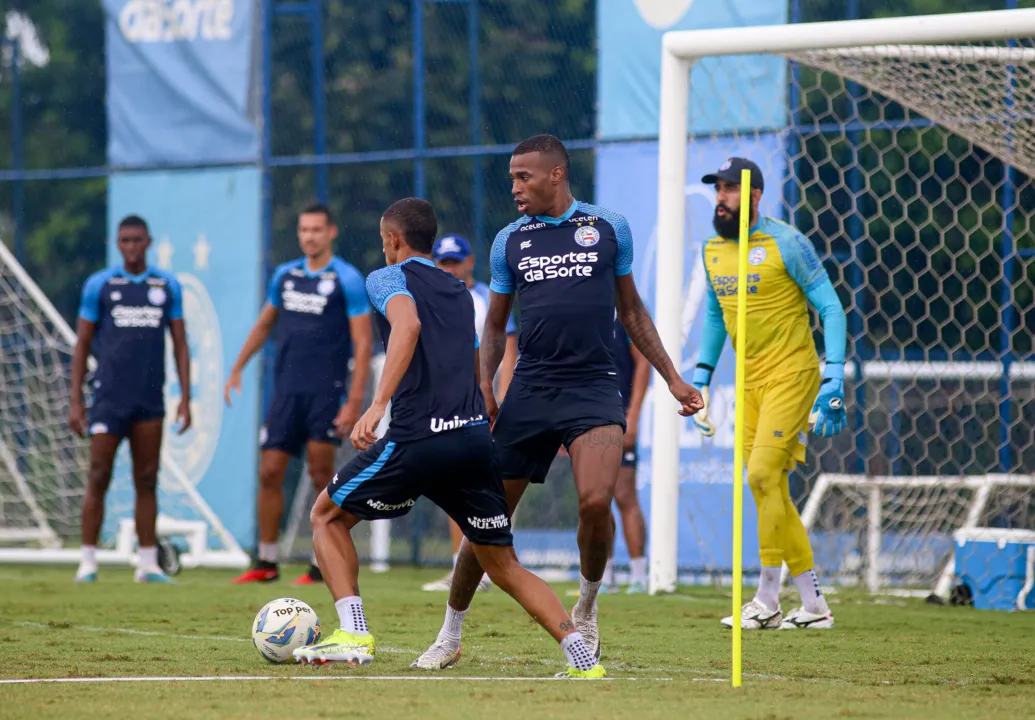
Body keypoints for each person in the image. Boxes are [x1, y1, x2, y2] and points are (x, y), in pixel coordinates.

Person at [413, 134, 703, 670]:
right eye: (510, 179)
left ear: (556, 175)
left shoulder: (608, 227)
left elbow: (633, 311)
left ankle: (587, 609)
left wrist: (673, 379)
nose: (515, 188)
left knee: (596, 501)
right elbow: (496, 325)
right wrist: (485, 386)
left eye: (523, 177)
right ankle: (450, 632)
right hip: (530, 392)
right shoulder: (509, 241)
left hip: (594, 387)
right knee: (488, 519)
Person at [292, 197, 605, 679]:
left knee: (326, 516)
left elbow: (408, 324)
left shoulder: (386, 277)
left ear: (393, 240)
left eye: (382, 241)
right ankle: (580, 654)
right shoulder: (461, 291)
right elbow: (476, 362)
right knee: (502, 564)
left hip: (419, 438)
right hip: (474, 439)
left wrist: (378, 405)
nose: (383, 248)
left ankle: (354, 631)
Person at [692, 157, 845, 630]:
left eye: (728, 189)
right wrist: (701, 377)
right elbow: (718, 315)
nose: (720, 198)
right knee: (769, 487)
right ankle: (814, 606)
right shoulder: (712, 250)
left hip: (792, 373)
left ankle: (766, 598)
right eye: (716, 190)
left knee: (760, 474)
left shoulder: (788, 242)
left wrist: (834, 375)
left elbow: (831, 308)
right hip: (747, 382)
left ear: (754, 195)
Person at [225, 203, 373, 585]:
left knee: (322, 474)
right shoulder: (285, 275)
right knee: (270, 470)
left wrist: (355, 402)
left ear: (331, 232)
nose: (309, 236)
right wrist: (238, 367)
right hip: (286, 393)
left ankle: (319, 562)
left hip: (327, 394)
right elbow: (263, 325)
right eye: (304, 230)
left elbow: (362, 342)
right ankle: (267, 561)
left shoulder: (348, 279)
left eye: (316, 230)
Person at [69, 214, 191, 584]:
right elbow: (82, 345)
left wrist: (186, 398)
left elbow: (181, 345)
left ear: (148, 242)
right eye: (125, 241)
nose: (132, 247)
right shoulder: (100, 285)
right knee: (98, 474)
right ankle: (88, 561)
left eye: (138, 240)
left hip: (149, 400)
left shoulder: (166, 285)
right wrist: (76, 399)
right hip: (108, 397)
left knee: (147, 479)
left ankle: (148, 563)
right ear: (117, 244)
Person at [421, 233, 519, 593]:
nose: (450, 268)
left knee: (495, 487)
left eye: (455, 262)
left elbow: (508, 346)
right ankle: (461, 569)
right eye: (443, 262)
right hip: (449, 404)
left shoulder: (483, 297)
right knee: (453, 484)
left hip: (484, 403)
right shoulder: (433, 295)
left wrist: (502, 395)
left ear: (470, 261)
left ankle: (496, 564)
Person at [602, 315, 651, 594]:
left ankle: (638, 575)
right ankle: (603, 578)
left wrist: (633, 415)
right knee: (595, 499)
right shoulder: (580, 303)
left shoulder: (626, 311)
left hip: (619, 414)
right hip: (586, 414)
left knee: (624, 494)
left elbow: (643, 361)